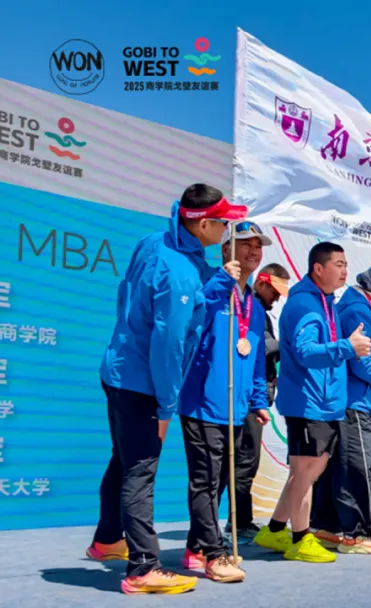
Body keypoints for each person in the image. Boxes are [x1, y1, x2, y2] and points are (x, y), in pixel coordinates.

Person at [91, 183, 245, 595]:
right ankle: (142, 568)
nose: (228, 231)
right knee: (140, 469)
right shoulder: (178, 271)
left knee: (125, 460)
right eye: (224, 223)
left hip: (120, 369)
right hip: (141, 381)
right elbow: (169, 344)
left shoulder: (156, 243)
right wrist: (166, 403)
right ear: (204, 224)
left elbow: (170, 303)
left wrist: (218, 284)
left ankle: (107, 540)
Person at [252, 242, 371, 563]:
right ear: (318, 268)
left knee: (308, 470)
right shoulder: (305, 304)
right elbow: (305, 353)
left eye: (346, 264)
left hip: (323, 401)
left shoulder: (323, 301)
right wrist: (347, 346)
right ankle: (300, 538)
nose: (345, 271)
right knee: (305, 471)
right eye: (338, 264)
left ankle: (275, 529)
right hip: (309, 402)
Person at [177, 222, 275, 583]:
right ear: (226, 250)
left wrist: (258, 399)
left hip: (235, 407)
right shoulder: (208, 284)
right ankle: (214, 554)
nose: (253, 251)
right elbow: (189, 318)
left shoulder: (254, 307)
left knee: (218, 481)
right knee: (205, 480)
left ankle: (195, 547)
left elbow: (256, 359)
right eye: (245, 244)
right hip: (202, 402)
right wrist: (221, 281)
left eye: (258, 246)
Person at [308, 261, 371, 556]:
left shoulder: (355, 304)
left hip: (345, 400)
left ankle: (325, 526)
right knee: (358, 467)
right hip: (354, 402)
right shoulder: (359, 309)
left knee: (338, 467)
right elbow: (360, 360)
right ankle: (356, 534)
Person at [220, 262, 290, 541]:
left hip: (255, 396)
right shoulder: (250, 309)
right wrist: (288, 345)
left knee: (246, 460)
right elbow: (254, 347)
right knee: (245, 461)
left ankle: (241, 520)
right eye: (274, 291)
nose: (277, 298)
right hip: (247, 397)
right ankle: (239, 522)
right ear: (261, 283)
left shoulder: (259, 310)